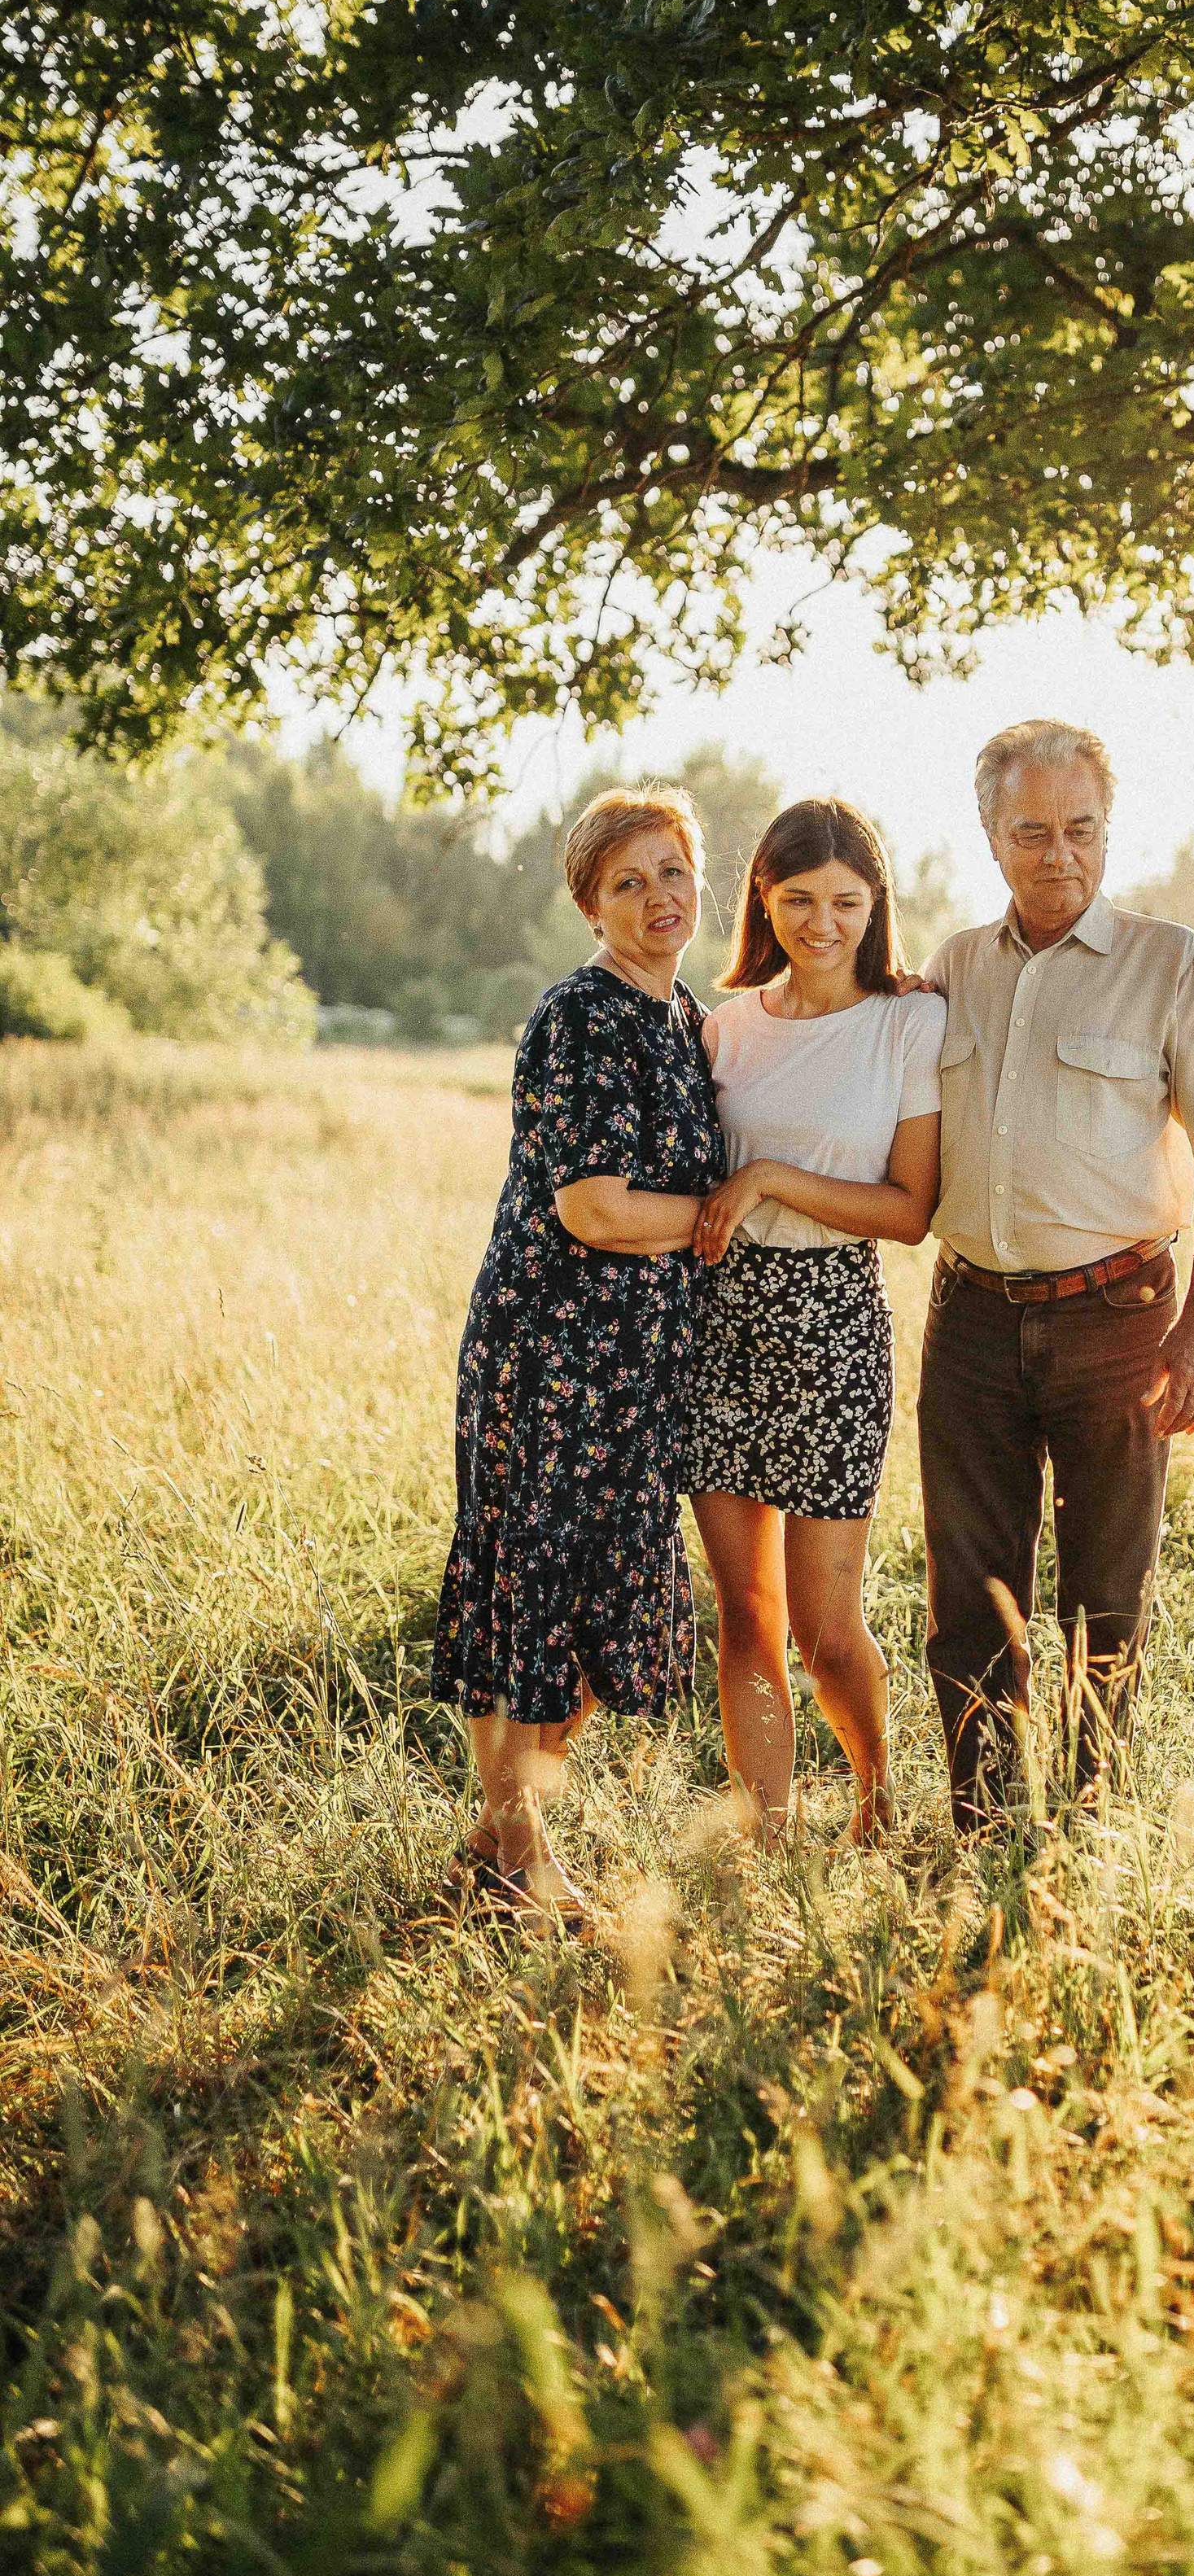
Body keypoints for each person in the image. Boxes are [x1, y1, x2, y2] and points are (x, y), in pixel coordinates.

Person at [917, 716, 1194, 1830]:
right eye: (1031, 832)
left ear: (1108, 831)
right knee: (971, 1590)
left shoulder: (1172, 964)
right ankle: (984, 1817)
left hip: (1119, 1319)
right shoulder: (951, 971)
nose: (1058, 854)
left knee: (1107, 1589)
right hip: (969, 1319)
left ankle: (1092, 1812)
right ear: (989, 834)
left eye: (1081, 830)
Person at [431, 784, 724, 1932]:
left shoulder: (681, 1014)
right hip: (550, 1352)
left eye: (672, 871)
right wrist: (727, 1211)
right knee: (531, 1594)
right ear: (592, 906)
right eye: (628, 881)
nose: (658, 897)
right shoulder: (581, 1016)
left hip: (637, 1362)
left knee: (611, 1609)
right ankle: (525, 1857)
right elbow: (595, 1210)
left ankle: (495, 1844)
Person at [687, 798, 946, 1844]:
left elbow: (910, 1211)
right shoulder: (724, 1024)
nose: (821, 923)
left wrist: (770, 1179)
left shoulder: (908, 1022)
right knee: (745, 1616)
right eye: (798, 899)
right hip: (721, 1323)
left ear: (875, 905)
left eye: (845, 901)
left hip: (833, 1322)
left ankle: (877, 1797)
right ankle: (770, 1836)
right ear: (764, 897)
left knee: (827, 1627)